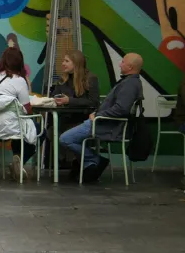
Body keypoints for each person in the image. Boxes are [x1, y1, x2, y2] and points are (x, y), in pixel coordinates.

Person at [59, 53, 144, 183]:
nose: (120, 64)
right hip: (103, 122)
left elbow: (121, 109)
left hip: (105, 125)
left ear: (130, 67)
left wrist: (98, 115)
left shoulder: (129, 85)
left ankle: (93, 160)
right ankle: (89, 165)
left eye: (123, 62)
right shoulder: (130, 82)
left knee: (65, 138)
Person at [0, 47, 42, 180]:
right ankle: (19, 160)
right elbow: (27, 109)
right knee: (38, 130)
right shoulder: (19, 80)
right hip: (11, 126)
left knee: (21, 128)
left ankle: (17, 162)